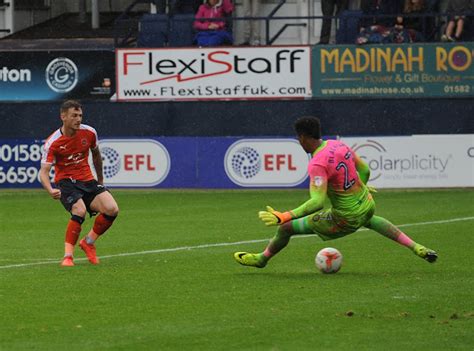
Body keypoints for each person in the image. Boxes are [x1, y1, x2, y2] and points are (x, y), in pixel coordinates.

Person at [234, 116, 438, 269]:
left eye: (299, 137)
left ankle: (262, 259)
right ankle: (416, 247)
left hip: (345, 218)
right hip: (367, 204)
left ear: (303, 137)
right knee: (370, 219)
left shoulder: (317, 163)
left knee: (286, 228)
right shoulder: (337, 144)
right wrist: (362, 189)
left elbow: (317, 203)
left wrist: (284, 215)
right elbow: (365, 170)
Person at [39, 100, 119, 267]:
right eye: (74, 116)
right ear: (63, 117)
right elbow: (44, 172)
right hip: (66, 182)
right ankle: (68, 256)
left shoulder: (89, 133)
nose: (78, 119)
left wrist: (101, 180)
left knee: (112, 209)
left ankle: (88, 242)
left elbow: (96, 155)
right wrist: (49, 189)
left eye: (80, 115)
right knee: (79, 210)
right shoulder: (52, 142)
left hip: (87, 180)